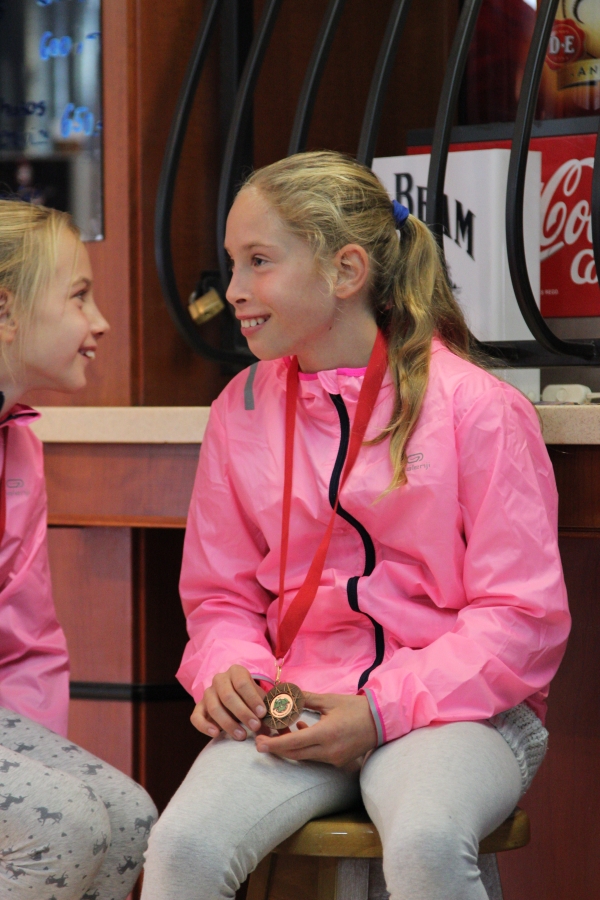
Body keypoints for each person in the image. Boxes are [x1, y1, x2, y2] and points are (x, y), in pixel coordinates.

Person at [142, 151, 570, 900]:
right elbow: (219, 599)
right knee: (182, 848)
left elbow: (521, 619)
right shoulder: (239, 408)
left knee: (428, 841)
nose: (233, 289)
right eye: (233, 263)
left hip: (461, 711)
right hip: (300, 703)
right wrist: (230, 674)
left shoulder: (478, 408)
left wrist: (380, 710)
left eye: (259, 261)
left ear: (345, 271)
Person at [0, 200, 157, 900]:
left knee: (128, 820)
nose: (100, 322)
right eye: (79, 296)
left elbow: (25, 640)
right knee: (64, 826)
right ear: (4, 310)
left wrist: (43, 767)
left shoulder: (20, 446)